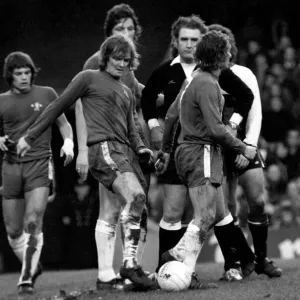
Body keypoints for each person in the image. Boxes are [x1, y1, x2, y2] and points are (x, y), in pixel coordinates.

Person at [16, 35, 157, 291]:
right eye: (117, 58)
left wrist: (142, 148)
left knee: (137, 202)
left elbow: (131, 130)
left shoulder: (126, 91)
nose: (122, 64)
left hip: (121, 151)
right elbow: (56, 106)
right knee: (135, 196)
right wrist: (30, 135)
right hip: (101, 148)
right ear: (105, 57)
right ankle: (130, 264)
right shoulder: (88, 78)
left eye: (127, 60)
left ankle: (117, 271)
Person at [141, 15, 255, 280]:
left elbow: (170, 115)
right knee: (203, 218)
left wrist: (168, 150)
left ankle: (189, 273)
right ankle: (177, 257)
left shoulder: (194, 78)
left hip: (185, 150)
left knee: (216, 212)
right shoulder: (207, 83)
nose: (230, 55)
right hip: (201, 150)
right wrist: (243, 148)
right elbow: (216, 129)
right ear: (219, 56)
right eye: (227, 51)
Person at [74, 3, 151, 289]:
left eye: (131, 29)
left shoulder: (128, 65)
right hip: (105, 145)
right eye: (120, 29)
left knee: (134, 205)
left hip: (129, 143)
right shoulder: (95, 62)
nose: (127, 33)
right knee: (109, 207)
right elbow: (81, 108)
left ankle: (128, 270)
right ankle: (106, 274)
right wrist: (82, 149)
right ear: (109, 34)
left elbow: (136, 96)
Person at [207, 24, 283, 279]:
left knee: (258, 201)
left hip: (244, 145)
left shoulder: (244, 74)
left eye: (226, 43)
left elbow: (255, 112)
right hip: (217, 148)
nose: (224, 49)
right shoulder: (204, 77)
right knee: (226, 207)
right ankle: (235, 263)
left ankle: (261, 260)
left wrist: (248, 146)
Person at [0, 51, 74, 295]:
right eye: (18, 73)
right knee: (13, 230)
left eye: (27, 73)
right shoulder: (1, 100)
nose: (23, 77)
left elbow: (63, 123)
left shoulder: (47, 93)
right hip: (11, 166)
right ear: (9, 75)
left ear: (33, 73)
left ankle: (26, 278)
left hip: (40, 163)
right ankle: (32, 265)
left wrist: (68, 143)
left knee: (33, 221)